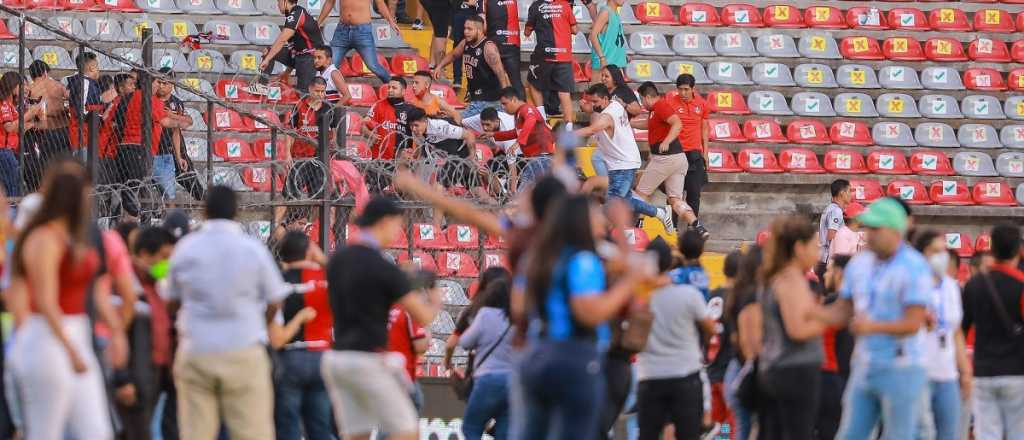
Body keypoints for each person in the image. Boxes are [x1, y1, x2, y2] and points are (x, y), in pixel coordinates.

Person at [7, 160, 128, 440]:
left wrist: (116, 331)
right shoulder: (43, 238)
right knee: (45, 431)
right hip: (48, 337)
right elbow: (45, 300)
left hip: (76, 332)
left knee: (96, 430)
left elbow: (96, 288)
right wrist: (70, 349)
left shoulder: (75, 237)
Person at [515, 195, 652, 440]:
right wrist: (629, 282)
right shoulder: (583, 260)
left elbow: (519, 306)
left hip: (539, 353)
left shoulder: (543, 255)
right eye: (596, 214)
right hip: (575, 357)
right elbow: (589, 312)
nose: (602, 219)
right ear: (581, 220)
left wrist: (621, 228)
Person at [163, 185, 290, 439]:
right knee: (251, 431)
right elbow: (276, 300)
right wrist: (262, 322)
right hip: (243, 348)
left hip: (197, 348)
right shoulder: (253, 249)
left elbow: (170, 300)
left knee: (196, 432)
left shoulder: (186, 249)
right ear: (237, 212)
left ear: (204, 210)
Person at [322, 196, 443, 440]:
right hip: (369, 358)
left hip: (338, 358)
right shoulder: (383, 268)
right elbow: (425, 317)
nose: (398, 233)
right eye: (397, 225)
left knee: (357, 434)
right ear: (386, 222)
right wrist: (435, 295)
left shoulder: (338, 260)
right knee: (407, 430)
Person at [816, 197, 932, 440]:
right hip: (864, 366)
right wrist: (812, 314)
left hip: (902, 368)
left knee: (899, 435)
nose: (869, 234)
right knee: (849, 434)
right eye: (868, 228)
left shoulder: (915, 266)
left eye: (875, 229)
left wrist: (871, 327)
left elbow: (913, 323)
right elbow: (842, 310)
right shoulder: (859, 264)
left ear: (895, 230)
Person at [636, 232, 717, 440]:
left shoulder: (637, 298)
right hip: (686, 375)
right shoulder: (688, 294)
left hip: (649, 376)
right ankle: (709, 426)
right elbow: (710, 327)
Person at [756, 216, 826, 440]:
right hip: (795, 370)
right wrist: (831, 321)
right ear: (799, 248)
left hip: (778, 368)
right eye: (815, 246)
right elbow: (797, 330)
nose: (818, 253)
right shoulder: (791, 280)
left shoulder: (776, 277)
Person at [572, 84, 675, 232]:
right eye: (591, 102)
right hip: (620, 163)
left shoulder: (607, 116)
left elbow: (593, 129)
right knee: (626, 201)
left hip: (623, 164)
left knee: (612, 205)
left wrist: (568, 134)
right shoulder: (615, 104)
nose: (593, 105)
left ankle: (601, 235)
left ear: (605, 99)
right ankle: (660, 213)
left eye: (595, 102)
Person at [962, 224, 1024, 440]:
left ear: (992, 249)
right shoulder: (1021, 285)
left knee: (987, 432)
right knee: (1017, 432)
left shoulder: (973, 285)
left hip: (983, 372)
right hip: (1016, 372)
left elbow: (961, 330)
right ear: (1018, 251)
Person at [271, 231, 335, 440]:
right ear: (310, 252)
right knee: (320, 427)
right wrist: (321, 259)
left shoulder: (278, 283)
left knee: (287, 427)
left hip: (290, 358)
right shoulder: (329, 280)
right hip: (322, 358)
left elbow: (276, 338)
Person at [116, 225, 176, 440]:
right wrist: (122, 378)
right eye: (164, 257)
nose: (168, 264)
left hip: (154, 375)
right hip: (134, 378)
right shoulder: (127, 288)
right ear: (144, 255)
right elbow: (117, 334)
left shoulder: (157, 286)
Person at [102, 75, 189, 220]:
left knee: (127, 190)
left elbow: (115, 120)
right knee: (137, 194)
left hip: (123, 148)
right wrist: (181, 123)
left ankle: (122, 222)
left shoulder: (127, 97)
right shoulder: (151, 100)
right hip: (139, 149)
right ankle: (133, 225)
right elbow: (164, 121)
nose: (158, 86)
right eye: (157, 83)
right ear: (150, 84)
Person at [912, 230, 971, 440]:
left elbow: (955, 332)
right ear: (921, 254)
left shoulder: (951, 287)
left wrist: (965, 371)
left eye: (943, 251)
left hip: (947, 375)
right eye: (934, 251)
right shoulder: (911, 284)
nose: (941, 256)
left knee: (950, 434)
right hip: (919, 374)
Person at [633, 81, 708, 238]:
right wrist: (629, 123)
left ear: (647, 97)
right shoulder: (655, 112)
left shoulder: (661, 105)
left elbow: (677, 123)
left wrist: (666, 141)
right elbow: (649, 124)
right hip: (679, 160)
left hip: (665, 159)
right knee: (675, 200)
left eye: (641, 100)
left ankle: (638, 228)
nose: (642, 104)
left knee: (641, 192)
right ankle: (698, 226)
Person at [459, 278, 516, 440]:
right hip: (512, 382)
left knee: (471, 427)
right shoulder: (517, 319)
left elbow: (465, 342)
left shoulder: (485, 315)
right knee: (504, 431)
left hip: (487, 380)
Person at [433, 16, 511, 119]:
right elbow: (453, 55)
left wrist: (506, 97)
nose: (466, 32)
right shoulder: (465, 43)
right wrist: (440, 66)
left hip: (488, 101)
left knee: (454, 120)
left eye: (470, 29)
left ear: (479, 30)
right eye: (465, 28)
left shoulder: (488, 48)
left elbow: (501, 73)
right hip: (476, 99)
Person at [723, 246, 762, 440]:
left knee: (731, 425)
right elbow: (749, 345)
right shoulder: (752, 297)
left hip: (729, 371)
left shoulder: (732, 295)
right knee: (740, 429)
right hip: (743, 373)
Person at [486, 87, 554, 191]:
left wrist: (518, 143)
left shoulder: (526, 109)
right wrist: (493, 135)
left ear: (514, 99)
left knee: (521, 195)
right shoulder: (518, 114)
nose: (503, 108)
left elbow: (530, 120)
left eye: (505, 103)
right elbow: (515, 133)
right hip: (536, 159)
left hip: (541, 159)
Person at [253, 0, 324, 95]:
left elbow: (282, 40)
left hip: (310, 58)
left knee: (303, 96)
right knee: (268, 51)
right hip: (301, 56)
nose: (277, 5)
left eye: (278, 2)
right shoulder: (292, 16)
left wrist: (267, 60)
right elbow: (294, 49)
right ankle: (261, 86)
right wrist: (287, 72)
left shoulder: (296, 14)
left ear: (284, 1)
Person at [317, 0, 397, 83]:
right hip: (342, 31)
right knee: (329, 66)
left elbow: (380, 3)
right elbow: (330, 2)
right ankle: (320, 92)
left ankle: (395, 86)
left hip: (362, 32)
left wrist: (390, 20)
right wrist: (318, 23)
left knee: (373, 65)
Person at [524, 0, 576, 125]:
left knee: (533, 84)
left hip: (544, 55)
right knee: (564, 91)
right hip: (564, 55)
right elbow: (575, 29)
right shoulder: (565, 5)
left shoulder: (535, 6)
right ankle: (568, 127)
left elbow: (527, 32)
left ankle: (542, 119)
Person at [704, 251, 738, 439]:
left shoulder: (713, 295)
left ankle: (720, 437)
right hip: (729, 368)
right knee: (728, 421)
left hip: (711, 369)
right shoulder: (738, 297)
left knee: (716, 421)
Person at [24, 60, 70, 193]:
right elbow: (68, 100)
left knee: (46, 168)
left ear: (32, 75)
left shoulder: (31, 89)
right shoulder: (58, 85)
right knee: (64, 167)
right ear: (45, 72)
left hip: (45, 133)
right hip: (63, 128)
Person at [671, 74, 710, 219]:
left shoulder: (702, 104)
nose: (683, 93)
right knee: (675, 195)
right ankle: (672, 230)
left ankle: (693, 230)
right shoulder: (670, 103)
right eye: (680, 89)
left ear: (693, 89)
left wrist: (705, 152)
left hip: (694, 155)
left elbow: (704, 128)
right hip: (676, 153)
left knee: (694, 195)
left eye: (686, 89)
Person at [153, 69, 193, 204]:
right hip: (152, 148)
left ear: (172, 84)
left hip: (168, 150)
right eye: (159, 82)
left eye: (164, 83)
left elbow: (184, 124)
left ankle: (201, 198)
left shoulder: (177, 103)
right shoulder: (151, 100)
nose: (161, 86)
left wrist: (178, 156)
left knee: (173, 189)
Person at [0, 72, 37, 197]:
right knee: (12, 189)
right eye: (21, 86)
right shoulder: (4, 103)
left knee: (11, 186)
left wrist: (31, 124)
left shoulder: (10, 104)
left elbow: (16, 126)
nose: (24, 89)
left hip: (8, 151)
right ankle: (11, 213)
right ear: (13, 86)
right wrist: (30, 114)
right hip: (4, 151)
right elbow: (9, 127)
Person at [66, 52, 110, 154]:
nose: (99, 69)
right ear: (91, 67)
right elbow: (80, 110)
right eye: (97, 66)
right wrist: (99, 118)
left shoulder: (89, 84)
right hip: (82, 136)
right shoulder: (84, 83)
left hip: (87, 135)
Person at [364, 77, 415, 160]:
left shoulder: (411, 110)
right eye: (389, 87)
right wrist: (370, 134)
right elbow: (363, 125)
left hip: (401, 161)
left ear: (403, 91)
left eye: (394, 88)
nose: (390, 90)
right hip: (379, 158)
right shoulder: (378, 105)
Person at [479, 0, 523, 97]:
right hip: (513, 42)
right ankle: (522, 110)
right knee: (516, 81)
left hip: (494, 44)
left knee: (495, 81)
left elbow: (483, 26)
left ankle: (499, 109)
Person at [817, 179, 852, 280]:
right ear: (842, 193)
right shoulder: (836, 211)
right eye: (849, 191)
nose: (851, 195)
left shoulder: (830, 208)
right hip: (828, 260)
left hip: (823, 258)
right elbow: (831, 235)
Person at [588, 0, 626, 69]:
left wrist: (622, 53)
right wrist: (602, 58)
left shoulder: (615, 12)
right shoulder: (605, 12)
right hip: (605, 62)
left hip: (614, 61)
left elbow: (614, 37)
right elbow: (593, 36)